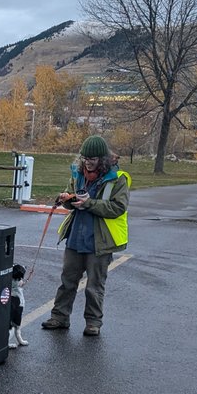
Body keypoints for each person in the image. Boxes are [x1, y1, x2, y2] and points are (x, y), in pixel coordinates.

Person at [41, 135, 130, 336]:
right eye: (85, 158)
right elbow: (72, 197)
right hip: (76, 237)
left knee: (94, 286)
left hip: (100, 240)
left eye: (93, 159)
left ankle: (93, 323)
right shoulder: (78, 173)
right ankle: (59, 317)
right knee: (67, 281)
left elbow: (118, 208)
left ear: (103, 159)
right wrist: (66, 200)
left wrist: (89, 203)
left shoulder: (118, 178)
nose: (88, 162)